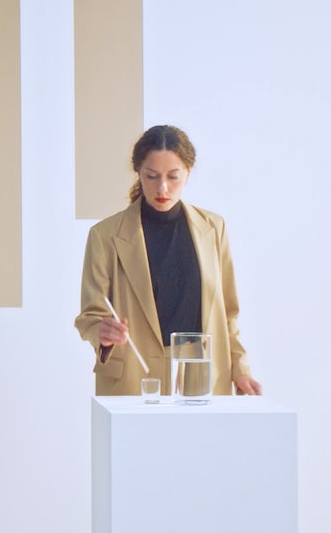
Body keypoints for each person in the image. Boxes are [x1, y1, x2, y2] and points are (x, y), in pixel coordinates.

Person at [75, 125, 262, 396]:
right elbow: (90, 316)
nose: (162, 187)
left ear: (188, 173)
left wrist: (240, 370)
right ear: (138, 172)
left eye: (173, 176)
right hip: (133, 376)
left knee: (200, 440)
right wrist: (102, 333)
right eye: (151, 176)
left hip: (202, 373)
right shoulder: (105, 236)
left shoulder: (214, 228)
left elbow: (228, 313)